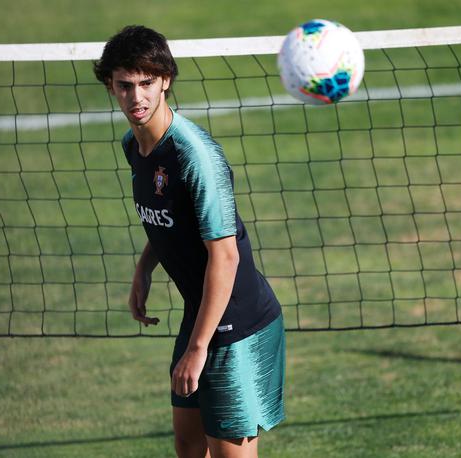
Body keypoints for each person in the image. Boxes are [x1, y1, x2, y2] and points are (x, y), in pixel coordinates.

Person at [94, 25, 285, 458]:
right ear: (111, 86)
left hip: (237, 324)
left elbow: (226, 255)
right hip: (200, 314)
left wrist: (199, 349)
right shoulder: (134, 146)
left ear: (165, 81)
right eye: (125, 85)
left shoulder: (195, 156)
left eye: (147, 83)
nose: (136, 97)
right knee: (187, 444)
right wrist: (144, 269)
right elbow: (171, 220)